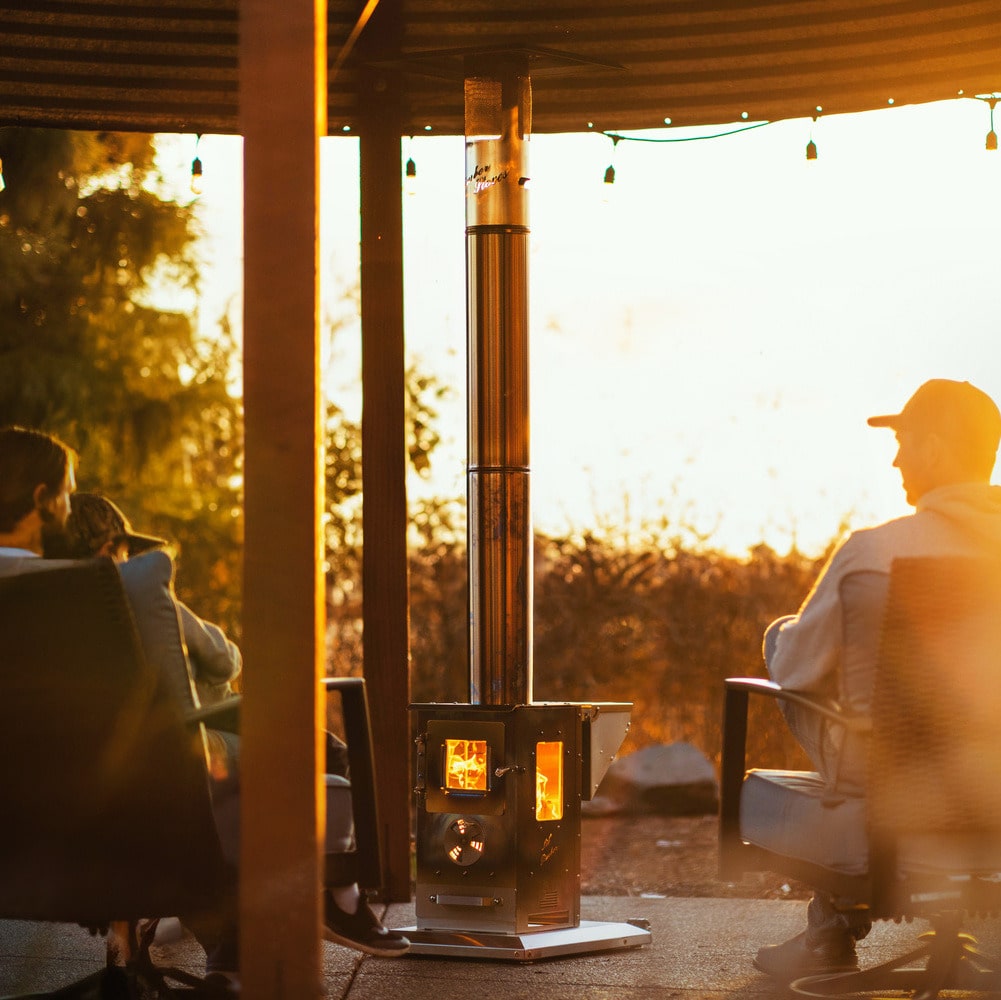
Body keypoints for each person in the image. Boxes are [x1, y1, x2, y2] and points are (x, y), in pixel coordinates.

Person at [0, 427, 409, 987]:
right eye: (67, 495)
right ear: (44, 498)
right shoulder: (108, 586)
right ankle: (321, 899)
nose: (70, 509)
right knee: (284, 745)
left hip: (22, 818)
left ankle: (229, 939)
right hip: (129, 794)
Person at [753, 379, 1001, 983]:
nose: (895, 459)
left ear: (936, 451)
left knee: (785, 640)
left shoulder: (876, 552)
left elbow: (794, 672)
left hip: (904, 786)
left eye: (904, 442)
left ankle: (829, 931)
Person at [52, 491, 242, 707]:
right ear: (109, 551)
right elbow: (223, 660)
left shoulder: (51, 607)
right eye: (127, 553)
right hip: (184, 728)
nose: (130, 561)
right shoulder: (140, 597)